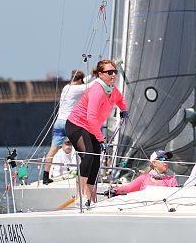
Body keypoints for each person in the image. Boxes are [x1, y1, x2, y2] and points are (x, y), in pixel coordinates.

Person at [65, 59, 128, 206]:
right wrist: (101, 139)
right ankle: (80, 197)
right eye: (109, 72)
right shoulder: (96, 91)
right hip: (76, 125)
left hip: (91, 128)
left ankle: (91, 197)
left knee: (96, 162)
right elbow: (91, 117)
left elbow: (120, 99)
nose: (113, 75)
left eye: (115, 72)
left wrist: (124, 110)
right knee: (88, 156)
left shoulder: (112, 90)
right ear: (100, 74)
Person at [42, 69, 86, 184]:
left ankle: (45, 177)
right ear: (81, 80)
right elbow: (94, 84)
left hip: (58, 123)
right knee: (84, 150)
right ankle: (86, 175)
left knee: (52, 151)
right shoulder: (80, 88)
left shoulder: (66, 87)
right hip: (69, 123)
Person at [113, 150, 178, 194]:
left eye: (167, 159)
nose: (166, 162)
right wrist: (115, 190)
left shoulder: (172, 180)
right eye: (162, 159)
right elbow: (128, 188)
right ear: (154, 163)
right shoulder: (143, 178)